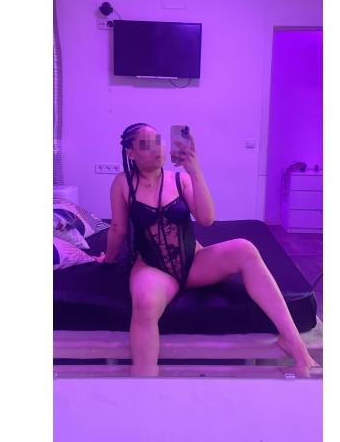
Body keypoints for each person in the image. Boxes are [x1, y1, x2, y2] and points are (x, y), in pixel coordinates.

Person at [94, 123, 319, 377]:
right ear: (130, 153)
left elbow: (206, 219)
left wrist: (194, 170)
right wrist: (108, 259)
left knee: (245, 249)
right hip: (153, 269)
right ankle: (144, 383)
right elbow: (118, 229)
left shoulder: (179, 179)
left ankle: (293, 342)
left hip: (194, 261)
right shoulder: (123, 184)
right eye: (146, 145)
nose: (157, 149)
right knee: (144, 304)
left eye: (158, 141)